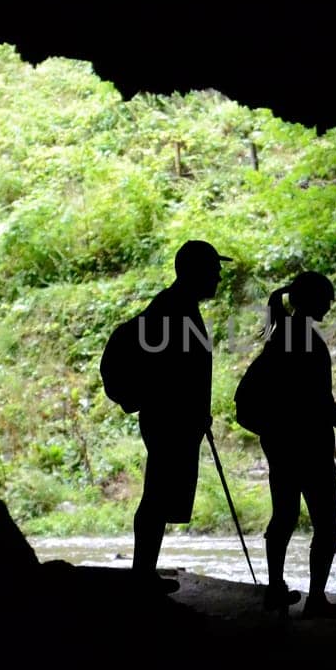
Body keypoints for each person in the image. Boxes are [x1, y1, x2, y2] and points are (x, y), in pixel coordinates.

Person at [257, 271, 336, 618]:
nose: (329, 305)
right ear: (311, 300)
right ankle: (315, 600)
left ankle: (276, 589)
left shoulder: (282, 335)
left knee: (283, 516)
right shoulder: (307, 341)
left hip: (280, 442)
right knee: (327, 524)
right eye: (325, 299)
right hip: (308, 445)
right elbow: (320, 404)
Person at [131, 239, 232, 595]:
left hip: (175, 417)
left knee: (158, 493)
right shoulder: (172, 309)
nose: (219, 276)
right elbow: (168, 371)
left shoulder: (179, 306)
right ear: (195, 271)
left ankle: (143, 571)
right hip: (168, 419)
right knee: (157, 493)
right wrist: (186, 407)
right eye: (214, 270)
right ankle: (141, 574)